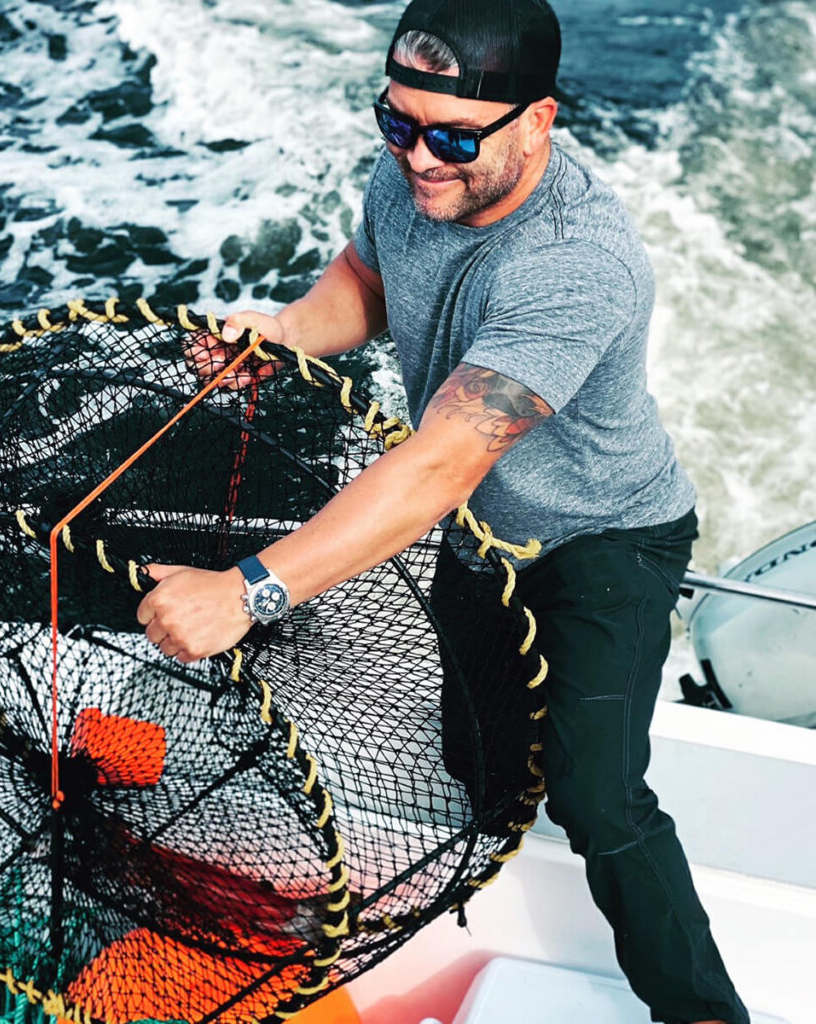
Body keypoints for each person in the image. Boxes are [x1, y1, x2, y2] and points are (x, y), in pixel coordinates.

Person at [136, 1, 750, 1021]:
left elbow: (434, 468)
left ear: (538, 120)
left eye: (454, 138)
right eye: (399, 125)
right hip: (481, 537)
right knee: (475, 757)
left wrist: (250, 590)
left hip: (603, 539)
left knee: (597, 796)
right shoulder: (420, 167)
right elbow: (369, 276)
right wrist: (285, 330)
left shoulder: (574, 264)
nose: (421, 159)